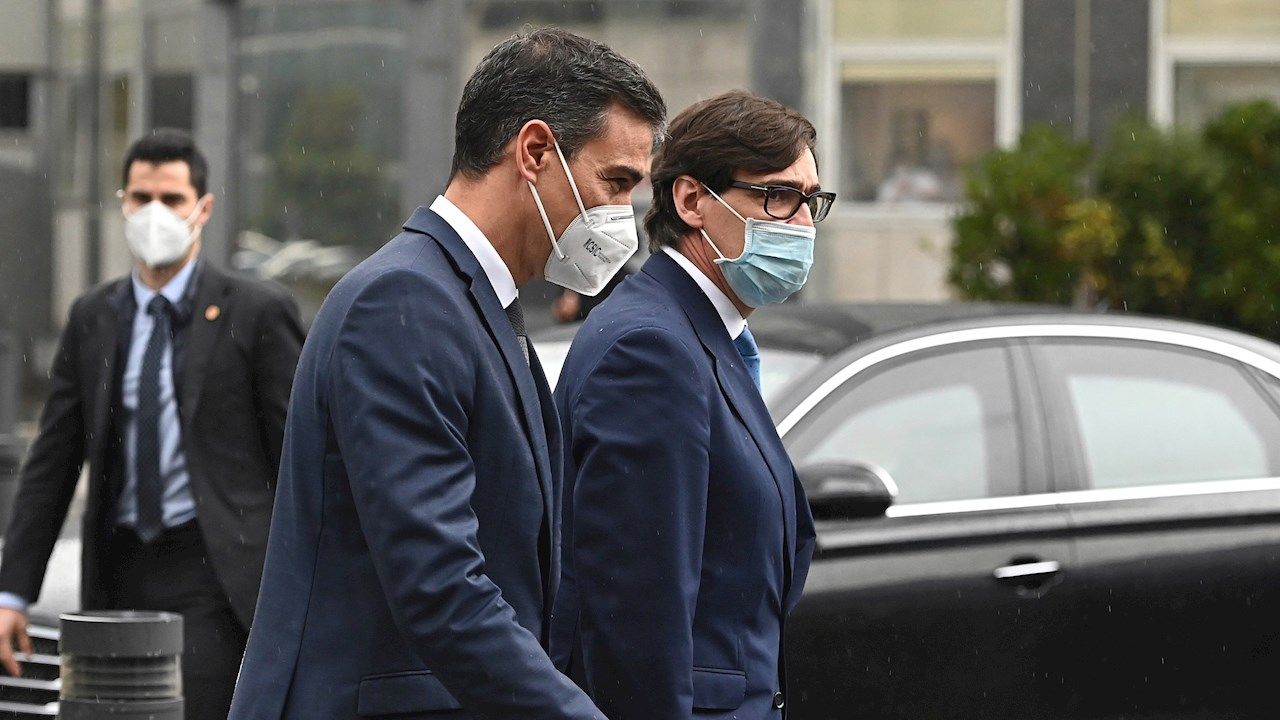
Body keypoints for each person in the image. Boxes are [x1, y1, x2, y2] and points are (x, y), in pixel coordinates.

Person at [228, 28, 665, 720]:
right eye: (614, 183)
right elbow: (440, 586)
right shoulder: (403, 301)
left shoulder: (475, 303)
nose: (623, 220)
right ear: (534, 152)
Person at [0, 128, 304, 720]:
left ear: (203, 209)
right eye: (142, 198)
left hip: (215, 571)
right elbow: (53, 461)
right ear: (123, 204)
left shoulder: (256, 312)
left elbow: (297, 454)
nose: (155, 213)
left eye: (172, 198)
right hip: (117, 571)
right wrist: (13, 591)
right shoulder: (94, 317)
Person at [550, 91, 834, 719]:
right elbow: (635, 617)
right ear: (691, 201)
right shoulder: (652, 349)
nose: (802, 224)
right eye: (778, 196)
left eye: (811, 200)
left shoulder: (702, 335)